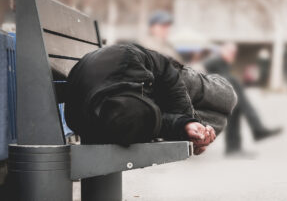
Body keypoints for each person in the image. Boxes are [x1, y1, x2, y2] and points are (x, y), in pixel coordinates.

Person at [65, 44, 237, 155]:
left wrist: (186, 118)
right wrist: (185, 128)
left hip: (163, 77)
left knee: (228, 97)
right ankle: (199, 131)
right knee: (219, 120)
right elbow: (155, 123)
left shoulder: (126, 58)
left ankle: (202, 111)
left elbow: (166, 69)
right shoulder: (105, 121)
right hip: (122, 99)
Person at [204, 42, 282, 155]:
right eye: (230, 52)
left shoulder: (223, 63)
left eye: (234, 53)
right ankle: (257, 129)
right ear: (222, 50)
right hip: (211, 96)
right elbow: (209, 70)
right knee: (235, 88)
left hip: (222, 96)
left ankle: (234, 148)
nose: (232, 55)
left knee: (236, 107)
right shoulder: (215, 61)